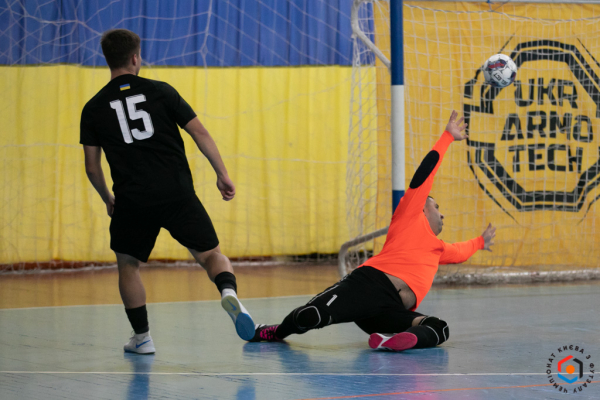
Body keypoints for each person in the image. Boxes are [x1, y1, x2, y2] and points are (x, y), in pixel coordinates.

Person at [249, 111, 496, 351]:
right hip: (369, 286)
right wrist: (447, 137)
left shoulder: (438, 249)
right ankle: (274, 332)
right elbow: (425, 174)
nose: (442, 215)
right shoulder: (410, 216)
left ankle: (391, 341)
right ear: (422, 207)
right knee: (312, 315)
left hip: (389, 311)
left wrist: (481, 242)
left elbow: (461, 251)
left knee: (439, 327)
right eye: (437, 207)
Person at [80, 29, 255, 354]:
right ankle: (228, 292)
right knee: (211, 255)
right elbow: (200, 133)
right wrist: (222, 174)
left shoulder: (93, 108)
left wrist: (107, 198)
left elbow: (92, 167)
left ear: (107, 59)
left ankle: (142, 338)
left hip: (132, 199)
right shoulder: (162, 91)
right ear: (135, 58)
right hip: (177, 193)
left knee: (128, 264)